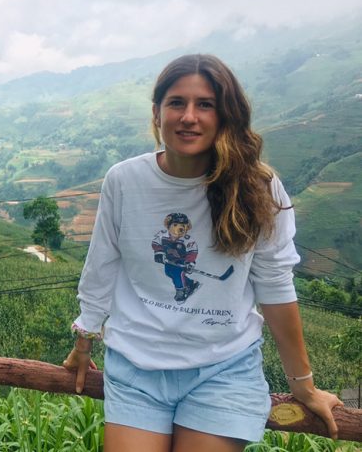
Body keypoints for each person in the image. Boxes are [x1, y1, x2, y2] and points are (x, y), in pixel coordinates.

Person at [62, 53, 343, 452]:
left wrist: (304, 385)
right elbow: (101, 265)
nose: (188, 116)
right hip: (135, 367)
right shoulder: (125, 180)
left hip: (223, 370)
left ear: (225, 115)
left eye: (205, 104)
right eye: (177, 103)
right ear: (157, 113)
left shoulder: (258, 189)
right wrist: (84, 340)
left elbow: (276, 287)